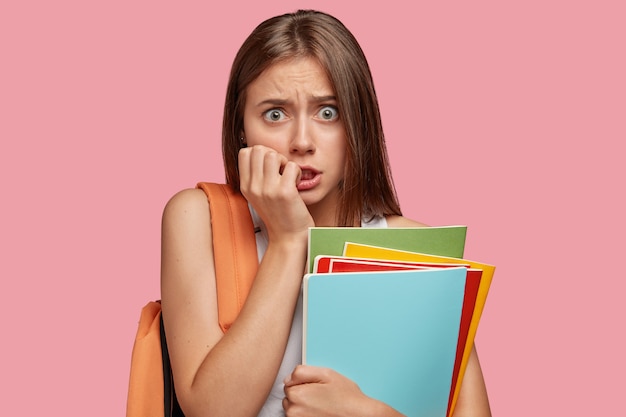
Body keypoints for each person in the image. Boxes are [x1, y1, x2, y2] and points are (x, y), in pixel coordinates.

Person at [160, 9, 491, 417]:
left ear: (359, 124)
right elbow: (212, 410)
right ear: (241, 127)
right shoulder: (200, 219)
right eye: (275, 114)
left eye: (328, 112)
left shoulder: (416, 251)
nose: (301, 141)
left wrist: (369, 414)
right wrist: (288, 240)